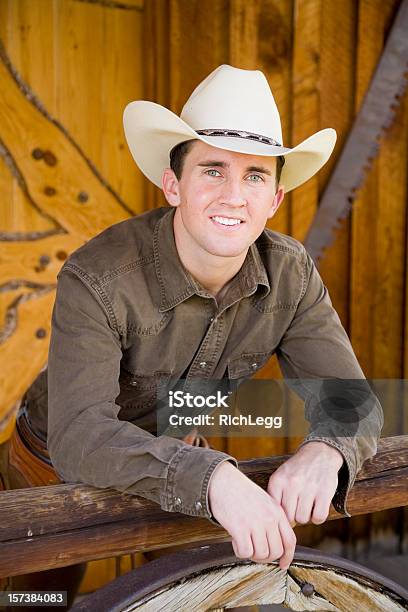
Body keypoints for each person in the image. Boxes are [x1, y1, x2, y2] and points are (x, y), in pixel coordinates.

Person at [2, 65, 383, 586]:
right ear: (173, 184)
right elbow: (79, 435)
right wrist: (214, 479)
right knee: (36, 605)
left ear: (274, 199)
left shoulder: (290, 273)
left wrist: (328, 449)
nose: (234, 195)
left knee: (207, 592)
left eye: (255, 176)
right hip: (54, 469)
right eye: (212, 170)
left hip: (180, 456)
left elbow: (351, 401)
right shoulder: (98, 276)